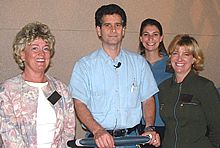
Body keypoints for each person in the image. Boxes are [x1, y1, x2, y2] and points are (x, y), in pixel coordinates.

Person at [69, 4, 160, 148]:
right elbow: (79, 103)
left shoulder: (139, 63)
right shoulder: (84, 66)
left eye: (118, 25)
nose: (113, 30)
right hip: (98, 141)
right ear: (99, 30)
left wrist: (149, 127)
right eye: (107, 25)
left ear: (123, 30)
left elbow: (148, 99)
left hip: (132, 140)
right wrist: (98, 130)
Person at [0, 22, 76, 147]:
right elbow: (9, 136)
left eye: (45, 48)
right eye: (34, 48)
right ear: (22, 54)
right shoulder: (7, 90)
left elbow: (68, 133)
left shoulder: (61, 90)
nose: (41, 53)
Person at [158, 34, 220, 148]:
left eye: (186, 54)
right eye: (175, 53)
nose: (179, 59)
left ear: (194, 59)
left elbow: (217, 128)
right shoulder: (164, 88)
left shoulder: (205, 87)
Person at [139, 18, 172, 145]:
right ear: (141, 38)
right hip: (142, 126)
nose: (150, 39)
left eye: (155, 34)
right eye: (146, 35)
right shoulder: (135, 63)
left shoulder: (172, 64)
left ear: (161, 38)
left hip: (167, 125)